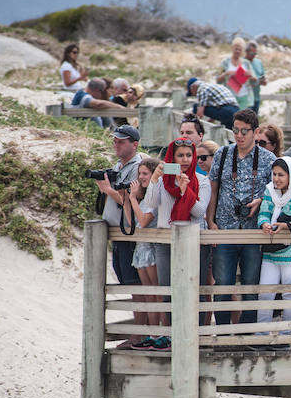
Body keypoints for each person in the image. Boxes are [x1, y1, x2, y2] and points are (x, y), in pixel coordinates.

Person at [206, 109, 277, 329]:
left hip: (253, 230)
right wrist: (211, 222)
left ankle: (247, 334)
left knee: (250, 285)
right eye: (236, 130)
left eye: (244, 131)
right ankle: (224, 334)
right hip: (225, 229)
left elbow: (277, 191)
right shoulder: (223, 154)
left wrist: (261, 200)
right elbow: (213, 189)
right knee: (223, 285)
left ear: (255, 132)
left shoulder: (268, 158)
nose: (239, 135)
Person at [141, 137, 213, 338]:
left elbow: (199, 212)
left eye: (189, 155)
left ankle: (193, 336)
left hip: (193, 243)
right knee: (168, 291)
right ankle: (174, 336)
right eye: (180, 155)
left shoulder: (202, 181)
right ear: (171, 157)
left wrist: (185, 190)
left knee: (193, 291)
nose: (185, 160)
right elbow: (151, 203)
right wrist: (154, 180)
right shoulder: (164, 181)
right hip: (166, 242)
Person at [91, 124, 143, 346]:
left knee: (134, 285)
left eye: (121, 141)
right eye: (115, 141)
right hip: (118, 234)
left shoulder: (138, 166)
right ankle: (138, 334)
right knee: (127, 282)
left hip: (129, 234)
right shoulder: (119, 165)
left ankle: (139, 335)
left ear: (134, 144)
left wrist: (108, 190)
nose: (116, 144)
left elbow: (131, 202)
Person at [255, 157, 291, 349]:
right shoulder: (269, 190)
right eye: (275, 174)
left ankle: (286, 336)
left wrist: (286, 226)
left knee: (289, 292)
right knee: (265, 292)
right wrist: (263, 223)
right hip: (271, 250)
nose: (277, 179)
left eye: (281, 175)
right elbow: (263, 212)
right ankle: (261, 335)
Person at [126, 157, 162, 348]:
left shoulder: (153, 195)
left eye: (145, 173)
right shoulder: (145, 196)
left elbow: (144, 221)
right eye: (139, 173)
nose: (140, 178)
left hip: (152, 248)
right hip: (141, 247)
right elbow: (134, 224)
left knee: (155, 293)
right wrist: (126, 199)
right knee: (149, 293)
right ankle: (151, 333)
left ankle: (157, 335)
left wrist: (132, 198)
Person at [217, 37, 255, 110]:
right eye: (236, 49)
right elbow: (217, 80)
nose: (237, 51)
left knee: (242, 119)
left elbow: (254, 80)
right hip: (229, 96)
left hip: (244, 96)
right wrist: (226, 74)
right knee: (231, 118)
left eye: (239, 49)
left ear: (243, 51)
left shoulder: (246, 63)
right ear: (232, 48)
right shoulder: (225, 63)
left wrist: (250, 75)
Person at [245, 40, 267, 115]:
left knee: (254, 121)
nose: (254, 55)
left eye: (255, 53)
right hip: (246, 99)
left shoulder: (258, 62)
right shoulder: (242, 63)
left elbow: (263, 76)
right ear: (246, 51)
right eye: (252, 53)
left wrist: (263, 81)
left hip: (256, 97)